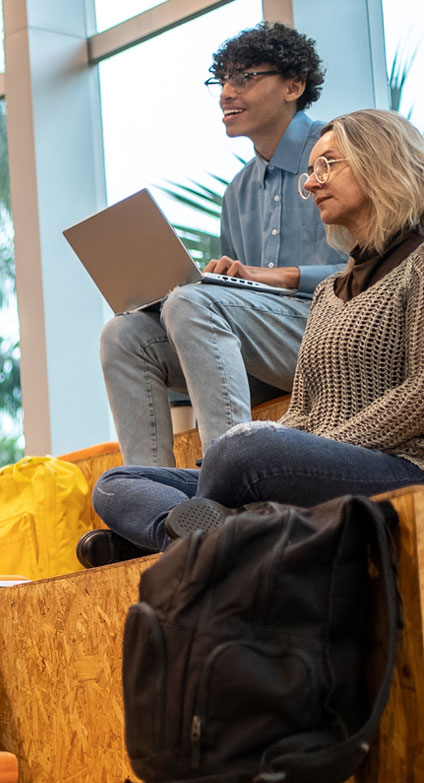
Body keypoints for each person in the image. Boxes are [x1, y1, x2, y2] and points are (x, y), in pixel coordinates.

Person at [83, 109, 424, 562]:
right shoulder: (327, 292)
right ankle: (195, 535)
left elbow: (419, 395)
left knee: (240, 449)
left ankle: (174, 535)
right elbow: (303, 410)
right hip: (317, 462)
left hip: (400, 466)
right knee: (115, 484)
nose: (311, 183)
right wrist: (294, 444)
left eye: (328, 165)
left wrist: (319, 445)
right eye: (310, 171)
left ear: (379, 162)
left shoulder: (418, 264)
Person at [98, 22, 345, 469]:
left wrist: (281, 276)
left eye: (245, 78)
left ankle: (229, 481)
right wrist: (224, 283)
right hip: (266, 348)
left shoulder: (343, 151)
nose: (226, 93)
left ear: (294, 85)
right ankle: (152, 489)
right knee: (125, 334)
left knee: (193, 304)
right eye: (223, 80)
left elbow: (387, 265)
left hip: (337, 331)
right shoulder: (238, 193)